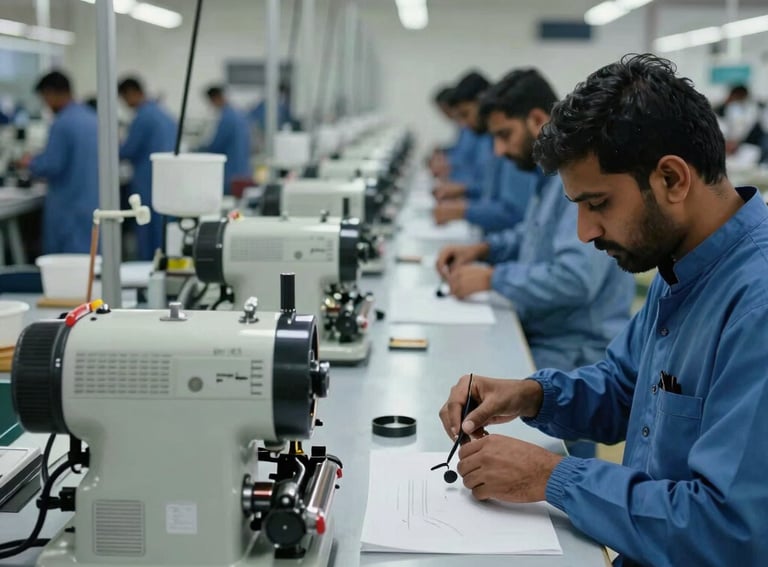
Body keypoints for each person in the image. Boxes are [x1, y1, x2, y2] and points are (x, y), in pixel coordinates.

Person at [439, 54, 768, 567]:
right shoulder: (681, 261)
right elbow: (624, 389)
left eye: (597, 205)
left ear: (673, 180)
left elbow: (728, 529)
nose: (584, 233)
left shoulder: (756, 305)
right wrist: (531, 395)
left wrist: (548, 477)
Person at [435, 68, 634, 372]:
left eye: (505, 135)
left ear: (538, 120)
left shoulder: (577, 184)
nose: (499, 151)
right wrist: (484, 250)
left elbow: (574, 280)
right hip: (546, 335)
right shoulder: (548, 179)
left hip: (575, 356)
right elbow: (531, 235)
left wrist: (492, 278)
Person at [433, 71, 534, 233]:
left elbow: (514, 213)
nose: (464, 124)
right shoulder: (490, 139)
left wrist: (464, 208)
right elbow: (487, 188)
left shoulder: (515, 147)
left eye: (466, 114)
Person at [22, 70, 98, 254]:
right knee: (91, 265)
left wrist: (30, 162)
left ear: (51, 93)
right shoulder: (92, 118)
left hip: (69, 208)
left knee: (67, 268)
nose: (46, 104)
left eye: (44, 98)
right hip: (92, 205)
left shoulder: (63, 123)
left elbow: (52, 165)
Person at [117, 76, 177, 261]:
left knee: (147, 233)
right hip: (168, 184)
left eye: (124, 99)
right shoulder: (164, 114)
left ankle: (146, 275)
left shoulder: (143, 117)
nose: (125, 104)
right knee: (165, 235)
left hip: (147, 183)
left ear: (132, 93)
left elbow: (129, 150)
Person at [198, 85, 251, 194]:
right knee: (238, 206)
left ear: (215, 98)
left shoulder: (227, 118)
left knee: (230, 207)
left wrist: (198, 151)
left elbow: (217, 146)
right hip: (244, 171)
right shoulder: (239, 115)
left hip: (231, 174)